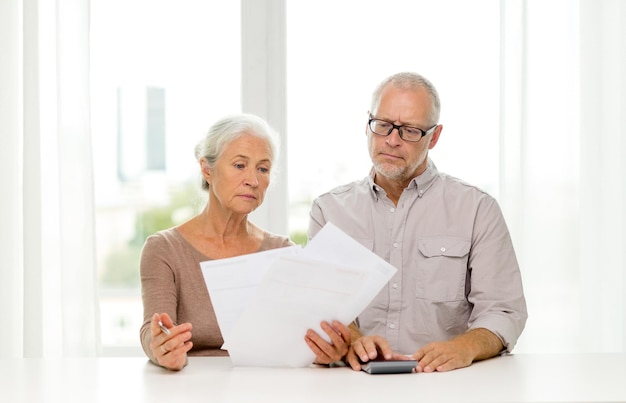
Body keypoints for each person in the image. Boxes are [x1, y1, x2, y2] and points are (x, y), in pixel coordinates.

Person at [304, 72, 528, 373]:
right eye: (382, 126)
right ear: (367, 124)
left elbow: (504, 311)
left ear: (434, 137)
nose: (392, 140)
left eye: (409, 131)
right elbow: (321, 305)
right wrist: (354, 340)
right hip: (355, 385)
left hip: (446, 384)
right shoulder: (329, 211)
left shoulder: (477, 209)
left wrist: (465, 346)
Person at [139, 113, 294, 370]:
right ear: (207, 169)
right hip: (191, 388)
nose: (253, 181)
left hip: (265, 388)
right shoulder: (164, 249)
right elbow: (152, 330)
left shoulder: (282, 252)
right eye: (239, 165)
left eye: (263, 169)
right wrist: (162, 348)